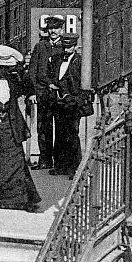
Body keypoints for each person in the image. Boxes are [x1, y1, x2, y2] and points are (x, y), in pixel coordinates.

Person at [0, 45, 40, 211]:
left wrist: (20, 72)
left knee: (17, 164)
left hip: (11, 126)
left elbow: (29, 85)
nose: (7, 71)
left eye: (9, 68)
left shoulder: (14, 81)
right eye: (4, 68)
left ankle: (20, 200)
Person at [28, 16, 65, 170]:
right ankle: (45, 160)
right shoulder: (40, 47)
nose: (52, 31)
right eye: (50, 28)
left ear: (61, 30)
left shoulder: (64, 47)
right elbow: (32, 71)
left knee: (61, 128)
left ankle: (59, 161)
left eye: (55, 28)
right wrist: (33, 91)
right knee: (43, 128)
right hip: (43, 94)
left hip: (59, 95)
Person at [48, 33, 86, 178]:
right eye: (64, 46)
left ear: (75, 47)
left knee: (72, 135)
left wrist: (76, 99)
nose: (66, 49)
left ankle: (74, 168)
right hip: (59, 103)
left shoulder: (80, 61)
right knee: (59, 135)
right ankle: (60, 166)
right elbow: (52, 75)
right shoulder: (57, 59)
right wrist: (52, 84)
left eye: (69, 47)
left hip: (73, 104)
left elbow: (83, 83)